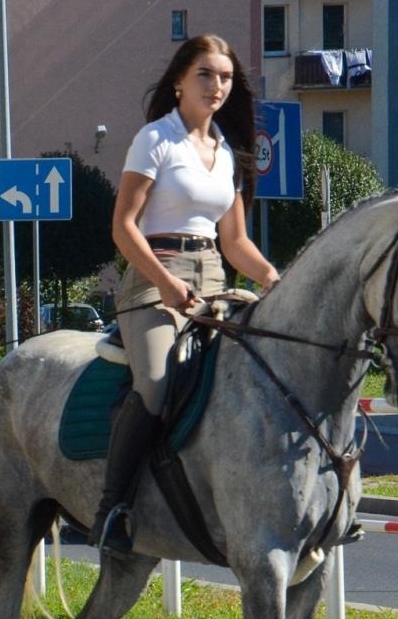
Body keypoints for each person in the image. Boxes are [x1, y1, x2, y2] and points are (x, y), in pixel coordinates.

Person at [96, 32, 280, 552]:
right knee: (155, 384)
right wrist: (165, 280)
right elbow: (123, 227)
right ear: (179, 81)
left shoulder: (227, 153)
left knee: (255, 373)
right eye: (205, 74)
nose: (217, 85)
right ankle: (112, 507)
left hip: (215, 280)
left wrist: (272, 278)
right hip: (153, 278)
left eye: (225, 77)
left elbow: (236, 241)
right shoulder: (155, 139)